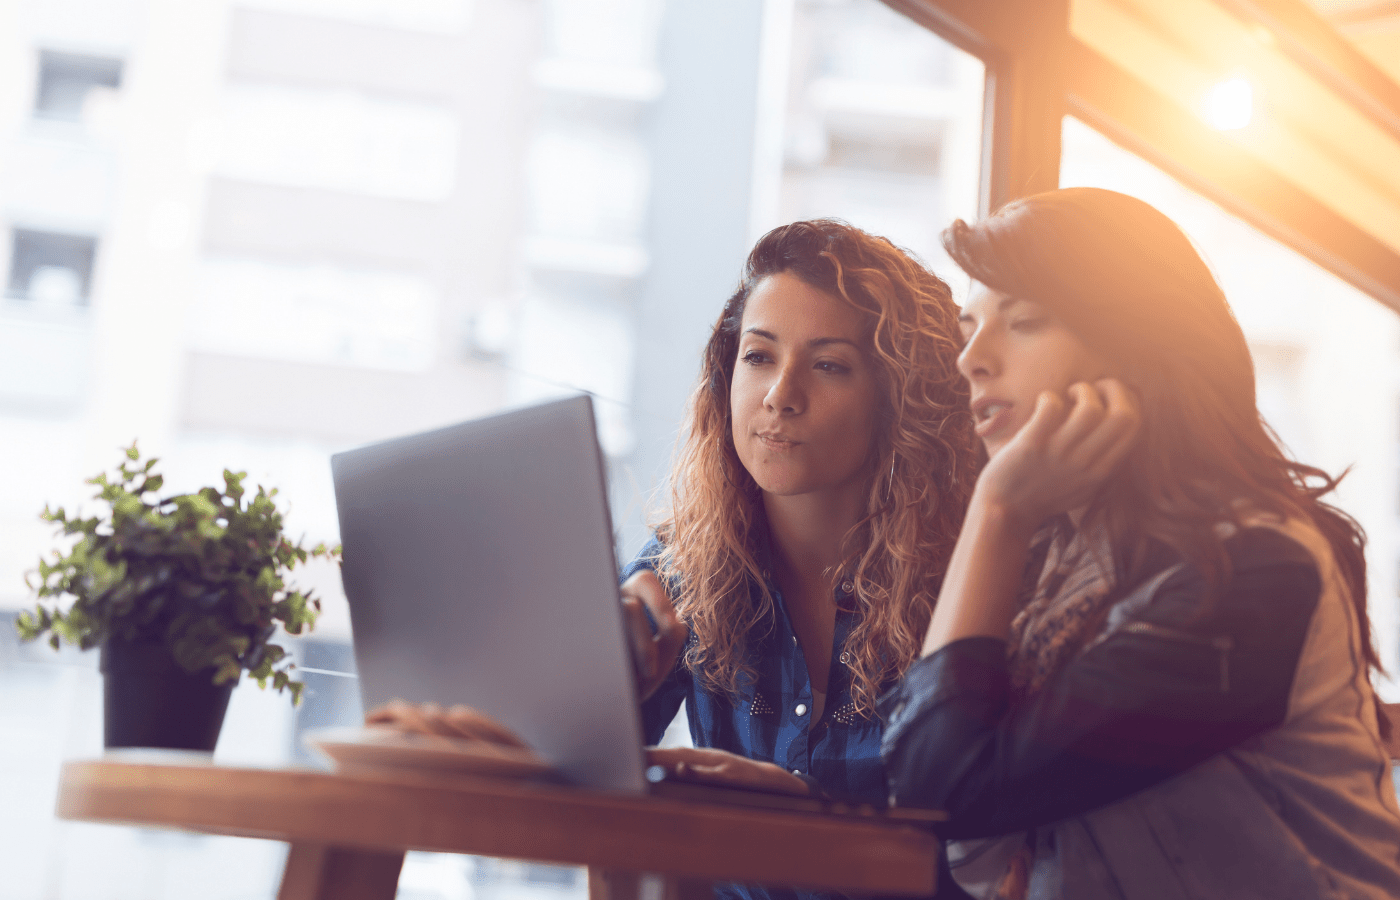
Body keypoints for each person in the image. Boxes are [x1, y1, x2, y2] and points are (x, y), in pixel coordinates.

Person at [878, 187, 1400, 899]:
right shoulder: (1059, 558)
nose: (972, 358)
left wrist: (998, 508)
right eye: (971, 326)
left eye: (1025, 320)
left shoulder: (1251, 568)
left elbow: (946, 791)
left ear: (1140, 350)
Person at [619, 219, 977, 819]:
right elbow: (561, 767)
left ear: (898, 398)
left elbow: (983, 833)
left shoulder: (967, 577)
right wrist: (611, 678)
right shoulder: (677, 571)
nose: (780, 394)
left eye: (830, 365)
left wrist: (813, 809)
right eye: (758, 356)